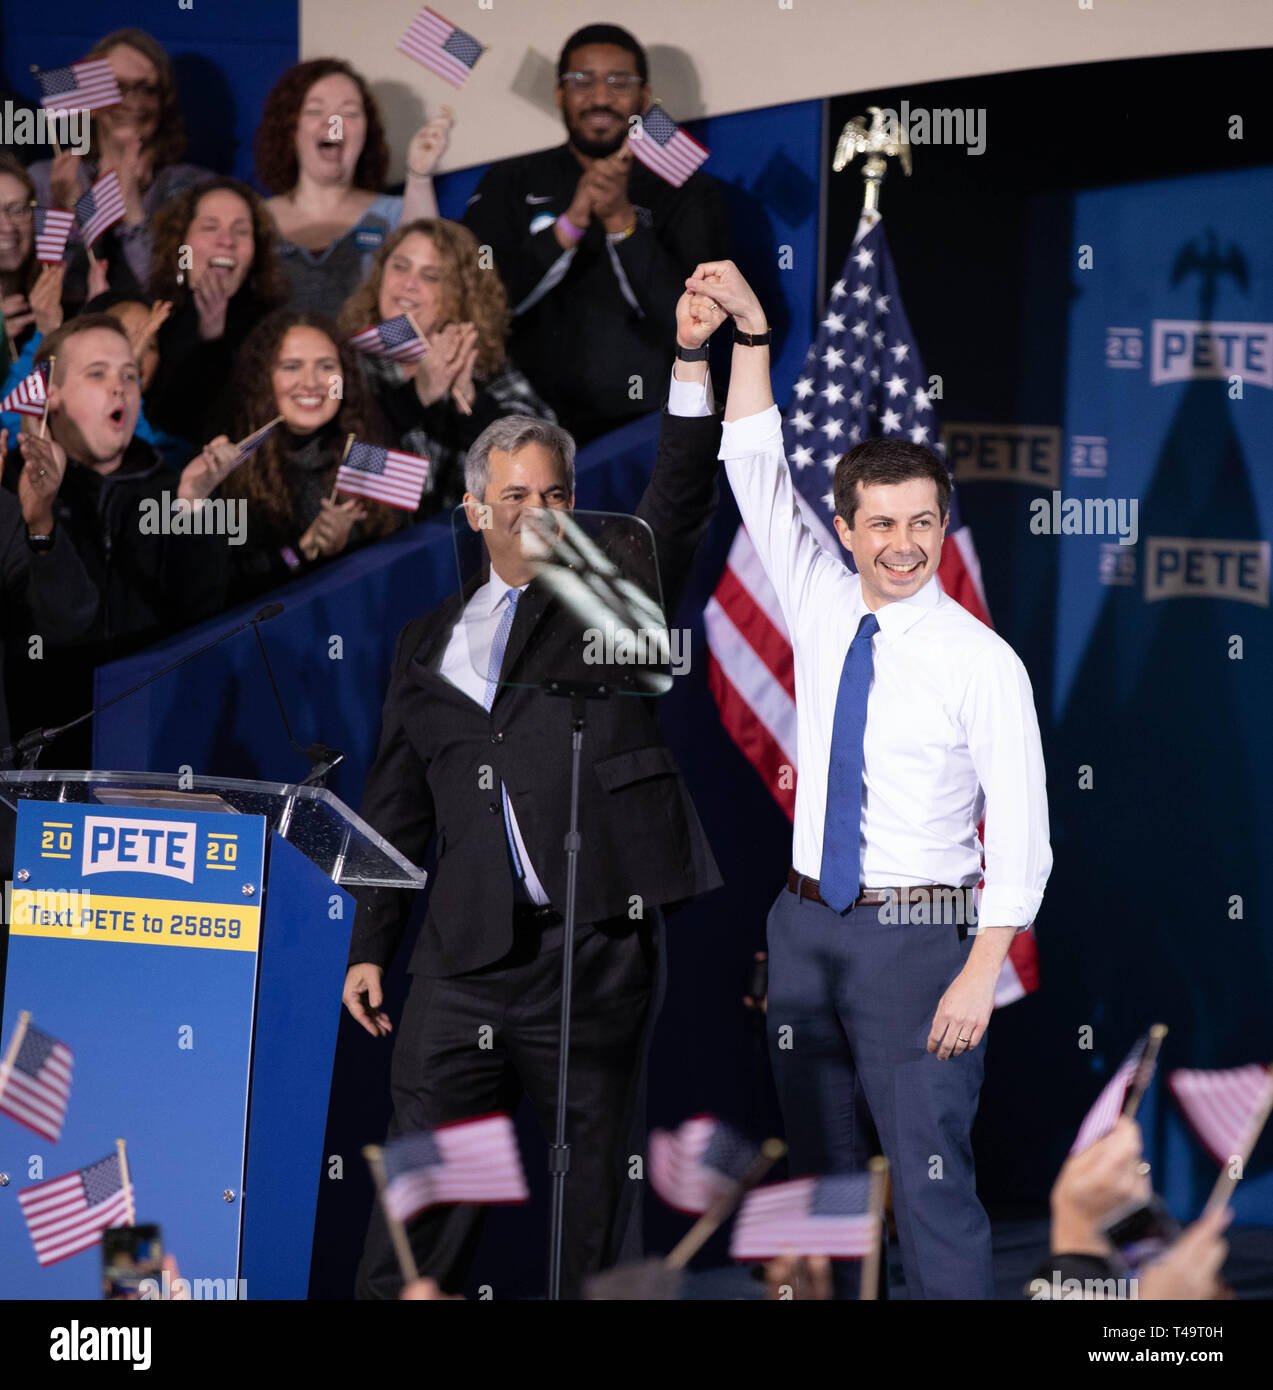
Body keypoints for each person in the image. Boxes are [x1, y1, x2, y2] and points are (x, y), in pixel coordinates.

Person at [344, 288, 729, 1300]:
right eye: (514, 495)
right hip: (460, 958)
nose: (537, 513)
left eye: (554, 493)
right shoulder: (424, 640)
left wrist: (689, 363)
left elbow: (679, 498)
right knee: (424, 1198)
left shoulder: (608, 599)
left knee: (589, 1199)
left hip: (590, 948)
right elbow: (397, 806)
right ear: (475, 509)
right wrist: (371, 943)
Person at [691, 258, 1053, 1300]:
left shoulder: (982, 661)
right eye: (881, 523)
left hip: (918, 948)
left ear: (941, 524)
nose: (903, 544)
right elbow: (756, 462)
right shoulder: (813, 594)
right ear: (843, 527)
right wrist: (751, 341)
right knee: (824, 1194)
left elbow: (1021, 834)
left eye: (921, 522)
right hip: (804, 932)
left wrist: (981, 968)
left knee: (934, 1195)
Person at [463, 24, 727, 444]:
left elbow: (695, 316)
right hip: (519, 425)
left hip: (642, 428)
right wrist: (569, 224)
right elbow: (473, 301)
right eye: (582, 81)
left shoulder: (687, 190)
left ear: (644, 96)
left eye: (618, 82)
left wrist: (622, 220)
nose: (600, 98)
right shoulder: (510, 180)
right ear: (559, 94)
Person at [0, 316, 229, 766]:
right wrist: (40, 514)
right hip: (38, 746)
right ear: (53, 396)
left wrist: (194, 512)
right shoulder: (12, 485)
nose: (119, 386)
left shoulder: (174, 486)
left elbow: (206, 623)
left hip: (144, 743)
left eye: (130, 374)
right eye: (97, 373)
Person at [338, 218, 555, 517]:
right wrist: (417, 397)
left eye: (430, 276)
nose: (408, 284)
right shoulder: (345, 358)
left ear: (459, 293)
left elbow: (546, 452)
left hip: (470, 537)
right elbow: (340, 464)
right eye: (399, 267)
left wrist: (471, 399)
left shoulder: (477, 355)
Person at [217, 308, 401, 602]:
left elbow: (403, 547)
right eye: (291, 367)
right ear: (263, 379)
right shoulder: (232, 465)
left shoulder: (366, 443)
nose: (312, 382)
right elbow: (229, 592)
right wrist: (304, 551)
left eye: (326, 366)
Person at [27, 28, 212, 306]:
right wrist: (62, 211)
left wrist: (134, 216)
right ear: (89, 102)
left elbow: (175, 292)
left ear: (164, 102)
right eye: (116, 87)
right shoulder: (44, 180)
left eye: (147, 89)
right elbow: (45, 293)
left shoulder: (193, 190)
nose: (133, 102)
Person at [256, 59, 453, 317]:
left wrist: (418, 175)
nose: (334, 123)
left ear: (366, 133)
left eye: (349, 113)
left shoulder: (395, 214)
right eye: (315, 111)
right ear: (289, 129)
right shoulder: (253, 220)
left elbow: (429, 295)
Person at [143, 177, 289, 454]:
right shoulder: (145, 318)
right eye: (210, 227)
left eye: (242, 231)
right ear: (180, 245)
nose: (227, 241)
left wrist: (214, 338)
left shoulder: (276, 331)